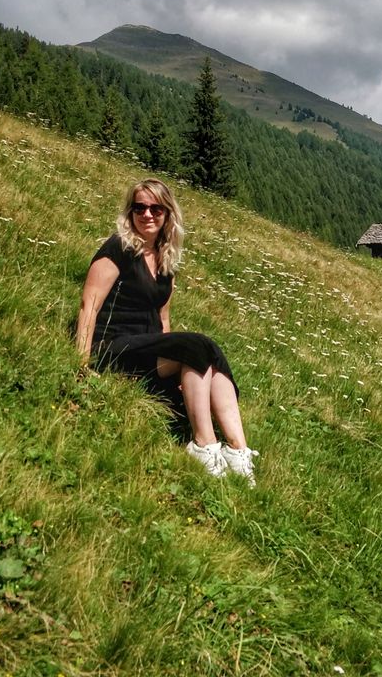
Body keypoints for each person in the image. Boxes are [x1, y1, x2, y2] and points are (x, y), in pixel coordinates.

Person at [75, 178, 257, 485]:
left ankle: (238, 451)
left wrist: (179, 362)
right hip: (111, 346)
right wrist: (81, 363)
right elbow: (88, 306)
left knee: (207, 352)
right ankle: (203, 445)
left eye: (156, 209)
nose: (147, 215)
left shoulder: (166, 259)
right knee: (198, 345)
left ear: (167, 214)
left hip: (145, 348)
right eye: (140, 208)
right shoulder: (118, 247)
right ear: (130, 212)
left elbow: (164, 320)